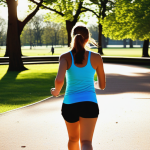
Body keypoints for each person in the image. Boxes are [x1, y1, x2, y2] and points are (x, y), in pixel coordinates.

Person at [51, 22, 106, 150]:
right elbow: (102, 85)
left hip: (70, 104)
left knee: (73, 139)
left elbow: (59, 80)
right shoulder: (96, 57)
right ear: (87, 40)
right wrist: (91, 83)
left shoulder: (65, 57)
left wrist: (56, 91)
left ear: (72, 37)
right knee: (86, 142)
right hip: (89, 104)